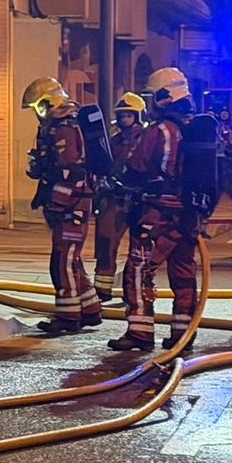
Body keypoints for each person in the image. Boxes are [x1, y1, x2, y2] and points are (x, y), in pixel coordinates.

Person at [111, 67, 202, 352]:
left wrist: (120, 180)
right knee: (183, 272)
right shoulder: (194, 127)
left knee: (139, 269)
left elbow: (138, 167)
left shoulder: (160, 131)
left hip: (157, 213)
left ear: (163, 97)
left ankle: (140, 332)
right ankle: (183, 333)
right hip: (188, 214)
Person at [21, 77, 105, 335]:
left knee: (64, 260)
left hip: (73, 203)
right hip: (67, 203)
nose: (37, 113)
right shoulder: (54, 127)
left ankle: (68, 316)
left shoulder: (66, 128)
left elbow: (72, 171)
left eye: (39, 106)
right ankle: (90, 309)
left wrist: (57, 202)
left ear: (50, 102)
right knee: (71, 258)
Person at [92, 92, 147, 305]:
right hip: (115, 199)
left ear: (138, 116)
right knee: (106, 244)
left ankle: (132, 290)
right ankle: (102, 290)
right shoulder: (114, 141)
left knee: (139, 249)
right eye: (121, 115)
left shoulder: (147, 139)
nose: (124, 119)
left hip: (139, 201)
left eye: (129, 115)